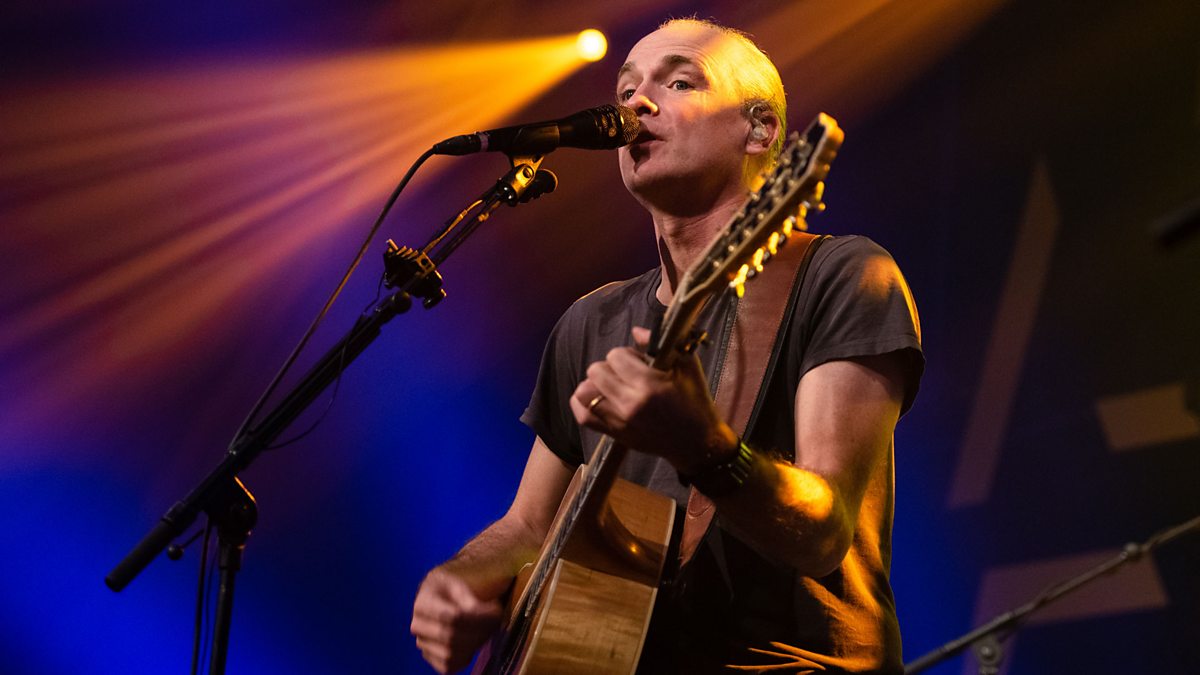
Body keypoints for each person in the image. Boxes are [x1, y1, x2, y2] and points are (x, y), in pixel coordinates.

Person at [410, 17, 923, 674]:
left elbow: (823, 534)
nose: (639, 103)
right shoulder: (591, 320)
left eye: (680, 82)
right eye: (626, 91)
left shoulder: (842, 275)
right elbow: (529, 527)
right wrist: (458, 578)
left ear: (760, 130)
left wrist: (706, 448)